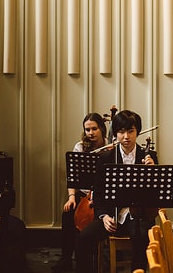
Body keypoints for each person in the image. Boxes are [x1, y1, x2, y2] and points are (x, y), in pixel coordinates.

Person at [74, 109, 157, 273]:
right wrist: (103, 216)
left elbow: (155, 197)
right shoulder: (105, 158)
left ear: (137, 132)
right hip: (110, 215)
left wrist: (153, 172)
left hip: (137, 215)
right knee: (83, 239)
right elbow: (97, 194)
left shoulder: (148, 156)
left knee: (140, 237)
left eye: (131, 131)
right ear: (115, 134)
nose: (126, 137)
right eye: (121, 132)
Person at [53, 113, 109, 272]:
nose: (90, 133)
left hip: (102, 195)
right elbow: (72, 176)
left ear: (102, 129)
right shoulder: (80, 147)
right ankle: (66, 259)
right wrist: (71, 197)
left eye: (94, 129)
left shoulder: (110, 146)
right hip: (83, 193)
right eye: (87, 129)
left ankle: (98, 258)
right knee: (68, 212)